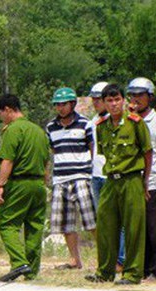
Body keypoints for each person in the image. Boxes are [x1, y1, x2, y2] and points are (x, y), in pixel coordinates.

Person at [86, 84, 152, 285]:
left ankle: (132, 274)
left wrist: (145, 182)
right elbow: (104, 155)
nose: (114, 104)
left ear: (123, 100)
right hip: (110, 180)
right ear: (104, 103)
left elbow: (147, 153)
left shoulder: (135, 123)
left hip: (131, 178)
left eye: (117, 100)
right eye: (109, 101)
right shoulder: (101, 126)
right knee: (105, 225)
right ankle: (105, 271)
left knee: (133, 227)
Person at [0, 94, 50, 282]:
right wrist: (44, 183)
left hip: (19, 183)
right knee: (34, 227)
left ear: (8, 109)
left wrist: (0, 185)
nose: (2, 118)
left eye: (1, 114)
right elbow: (46, 161)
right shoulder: (38, 131)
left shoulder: (13, 130)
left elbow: (8, 160)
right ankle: (32, 272)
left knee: (6, 223)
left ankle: (19, 263)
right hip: (39, 184)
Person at [127, 77, 156, 282]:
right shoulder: (129, 121)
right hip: (134, 182)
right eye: (133, 95)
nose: (136, 99)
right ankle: (142, 269)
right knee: (138, 229)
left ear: (150, 97)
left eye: (140, 95)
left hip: (154, 182)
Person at [45, 87, 96, 270]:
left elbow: (92, 147)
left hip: (81, 176)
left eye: (63, 104)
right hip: (60, 178)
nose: (60, 108)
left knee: (91, 220)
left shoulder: (85, 123)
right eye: (57, 104)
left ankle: (106, 257)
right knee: (66, 223)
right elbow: (52, 150)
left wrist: (91, 170)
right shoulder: (51, 127)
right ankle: (75, 259)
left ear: (72, 104)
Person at [89, 82, 126, 272]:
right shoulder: (94, 123)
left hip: (114, 175)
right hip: (96, 175)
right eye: (94, 98)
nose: (96, 102)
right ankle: (107, 261)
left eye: (98, 99)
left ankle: (121, 259)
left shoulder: (124, 121)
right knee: (103, 221)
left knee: (120, 221)